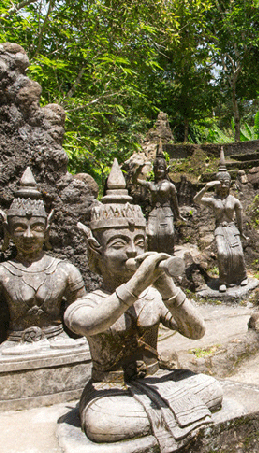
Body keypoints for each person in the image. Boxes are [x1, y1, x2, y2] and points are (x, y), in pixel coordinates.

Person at [67, 159, 221, 451]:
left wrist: (164, 285)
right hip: (108, 392)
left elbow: (197, 332)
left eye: (139, 241)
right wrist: (136, 285)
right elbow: (88, 324)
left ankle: (158, 414)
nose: (132, 251)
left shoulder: (152, 298)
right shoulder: (90, 302)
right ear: (94, 254)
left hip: (155, 383)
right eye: (118, 244)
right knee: (105, 423)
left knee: (211, 388)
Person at [0, 168, 85, 351]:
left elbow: (83, 319)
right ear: (7, 230)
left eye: (37, 228)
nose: (29, 236)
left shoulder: (65, 270)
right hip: (14, 346)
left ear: (47, 229)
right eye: (20, 228)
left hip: (60, 342)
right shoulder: (2, 272)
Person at [193, 148, 249, 292]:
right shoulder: (213, 200)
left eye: (226, 182)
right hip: (220, 228)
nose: (224, 185)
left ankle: (242, 277)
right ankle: (223, 279)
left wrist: (241, 232)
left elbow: (240, 218)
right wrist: (205, 187)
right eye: (221, 182)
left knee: (238, 253)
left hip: (232, 227)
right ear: (217, 184)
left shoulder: (234, 201)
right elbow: (196, 200)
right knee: (223, 253)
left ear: (230, 183)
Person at [134, 145, 180, 255]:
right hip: (154, 212)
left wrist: (178, 215)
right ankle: (152, 256)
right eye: (157, 168)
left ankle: (169, 255)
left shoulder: (170, 186)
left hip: (166, 211)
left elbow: (175, 201)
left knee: (169, 233)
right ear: (153, 170)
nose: (159, 171)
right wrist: (139, 168)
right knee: (151, 234)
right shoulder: (150, 184)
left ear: (166, 170)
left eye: (161, 168)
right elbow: (135, 180)